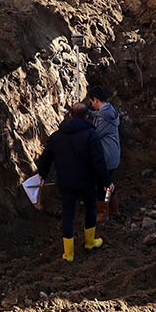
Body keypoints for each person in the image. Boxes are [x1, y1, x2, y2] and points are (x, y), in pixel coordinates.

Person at [33, 102, 108, 262]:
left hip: (65, 182)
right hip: (87, 181)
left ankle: (68, 254)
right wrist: (106, 181)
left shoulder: (55, 136)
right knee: (90, 209)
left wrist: (42, 176)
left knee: (68, 214)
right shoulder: (91, 135)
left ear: (70, 115)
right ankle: (90, 242)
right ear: (87, 116)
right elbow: (99, 162)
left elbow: (45, 159)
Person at [86, 87, 122, 217]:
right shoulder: (109, 110)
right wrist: (89, 113)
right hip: (113, 154)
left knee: (103, 185)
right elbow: (99, 115)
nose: (92, 104)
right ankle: (114, 210)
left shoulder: (103, 117)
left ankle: (103, 212)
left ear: (95, 99)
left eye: (91, 102)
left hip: (106, 156)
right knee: (108, 183)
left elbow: (95, 135)